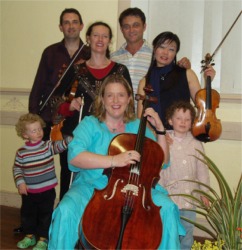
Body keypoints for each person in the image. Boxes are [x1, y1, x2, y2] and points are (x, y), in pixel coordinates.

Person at [48, 74, 185, 250]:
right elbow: (74, 157)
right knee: (65, 210)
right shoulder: (90, 124)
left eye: (121, 95)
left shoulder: (137, 125)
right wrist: (114, 160)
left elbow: (162, 162)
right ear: (102, 99)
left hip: (135, 189)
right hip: (93, 187)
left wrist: (160, 129)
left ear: (129, 99)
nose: (115, 100)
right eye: (110, 95)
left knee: (166, 208)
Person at [55, 21, 133, 189]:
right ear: (88, 38)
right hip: (78, 136)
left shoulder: (120, 70)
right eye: (96, 35)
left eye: (105, 36)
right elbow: (57, 101)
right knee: (71, 189)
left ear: (109, 40)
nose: (100, 39)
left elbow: (129, 105)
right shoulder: (75, 69)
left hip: (112, 139)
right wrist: (69, 105)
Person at [28, 8, 90, 204]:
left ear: (81, 25)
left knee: (68, 166)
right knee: (36, 165)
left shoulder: (89, 53)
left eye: (74, 22)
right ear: (60, 27)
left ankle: (64, 210)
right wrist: (33, 117)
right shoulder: (51, 52)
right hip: (47, 116)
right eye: (66, 22)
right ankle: (32, 217)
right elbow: (39, 84)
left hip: (74, 119)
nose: (71, 26)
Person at [13, 113, 72, 250]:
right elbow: (17, 169)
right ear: (25, 135)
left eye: (40, 129)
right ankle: (29, 235)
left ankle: (43, 239)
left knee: (45, 216)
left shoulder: (47, 146)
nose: (39, 132)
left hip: (47, 191)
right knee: (28, 215)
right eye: (34, 130)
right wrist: (20, 182)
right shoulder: (21, 152)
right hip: (29, 192)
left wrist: (68, 140)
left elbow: (60, 146)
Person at [111, 7, 191, 107]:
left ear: (144, 26)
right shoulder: (113, 58)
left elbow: (174, 79)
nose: (131, 30)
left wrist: (185, 67)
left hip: (149, 116)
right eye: (126, 26)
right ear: (121, 29)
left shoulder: (157, 56)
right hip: (119, 116)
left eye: (136, 25)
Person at [137, 31, 216, 129]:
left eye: (171, 49)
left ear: (175, 53)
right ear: (154, 48)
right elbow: (141, 118)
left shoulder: (187, 74)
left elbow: (203, 107)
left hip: (182, 134)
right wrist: (158, 135)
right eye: (161, 47)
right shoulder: (144, 82)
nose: (165, 52)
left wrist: (209, 81)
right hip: (155, 137)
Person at [159, 101, 210, 249]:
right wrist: (160, 192)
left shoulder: (196, 143)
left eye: (187, 119)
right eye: (179, 118)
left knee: (187, 231)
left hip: (190, 198)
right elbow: (160, 169)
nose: (183, 122)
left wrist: (204, 193)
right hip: (170, 197)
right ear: (170, 120)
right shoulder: (164, 140)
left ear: (192, 122)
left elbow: (202, 170)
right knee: (170, 231)